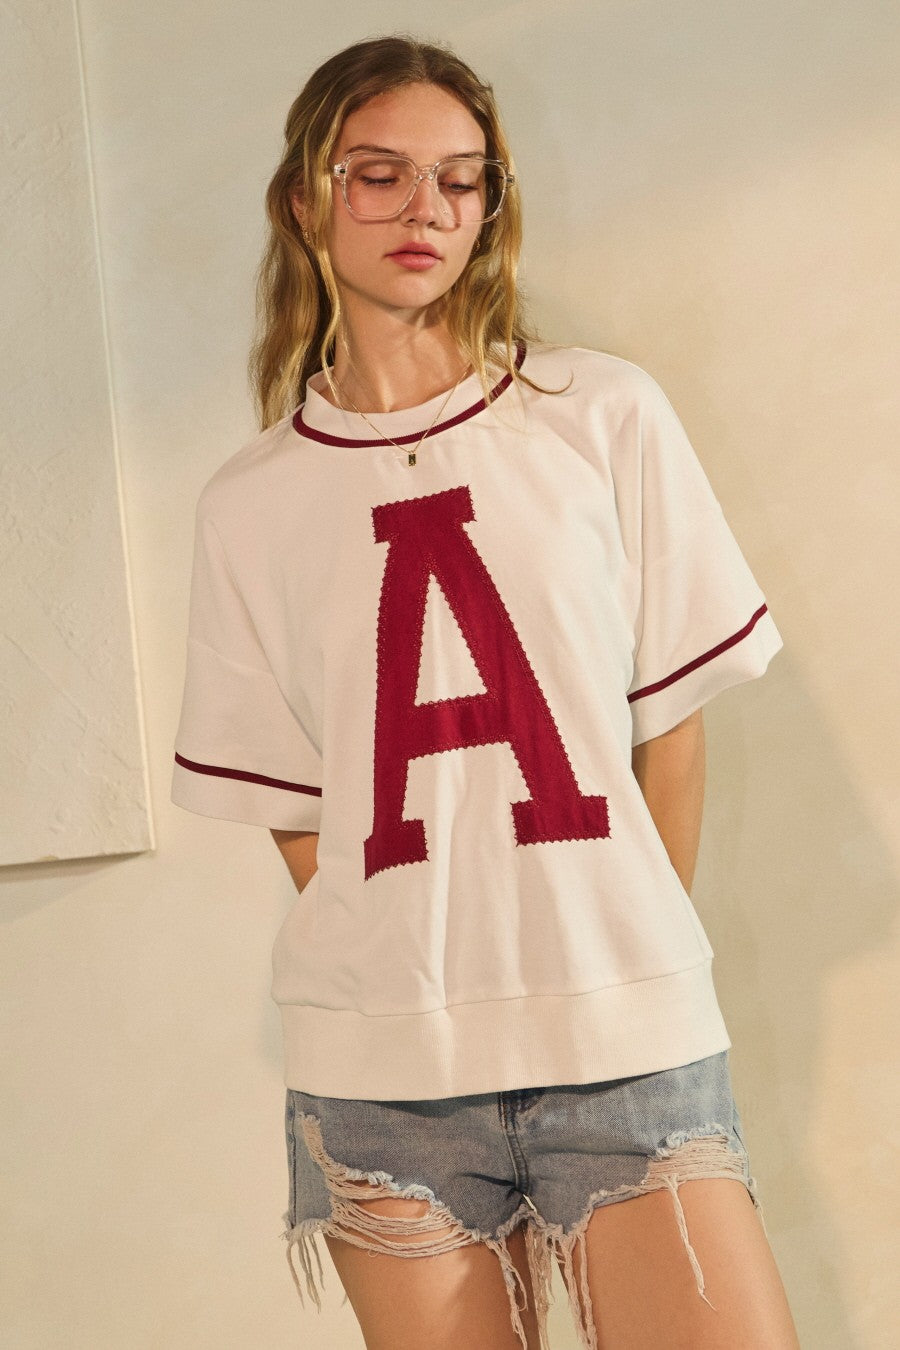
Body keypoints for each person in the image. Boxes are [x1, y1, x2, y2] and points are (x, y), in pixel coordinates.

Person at [172, 34, 801, 1350]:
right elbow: (300, 814)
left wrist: (609, 946)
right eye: (380, 174)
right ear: (305, 199)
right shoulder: (250, 504)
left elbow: (670, 735)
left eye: (458, 181)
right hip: (383, 1084)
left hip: (626, 1042)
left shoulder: (601, 416)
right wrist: (417, 961)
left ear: (489, 207)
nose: (424, 210)